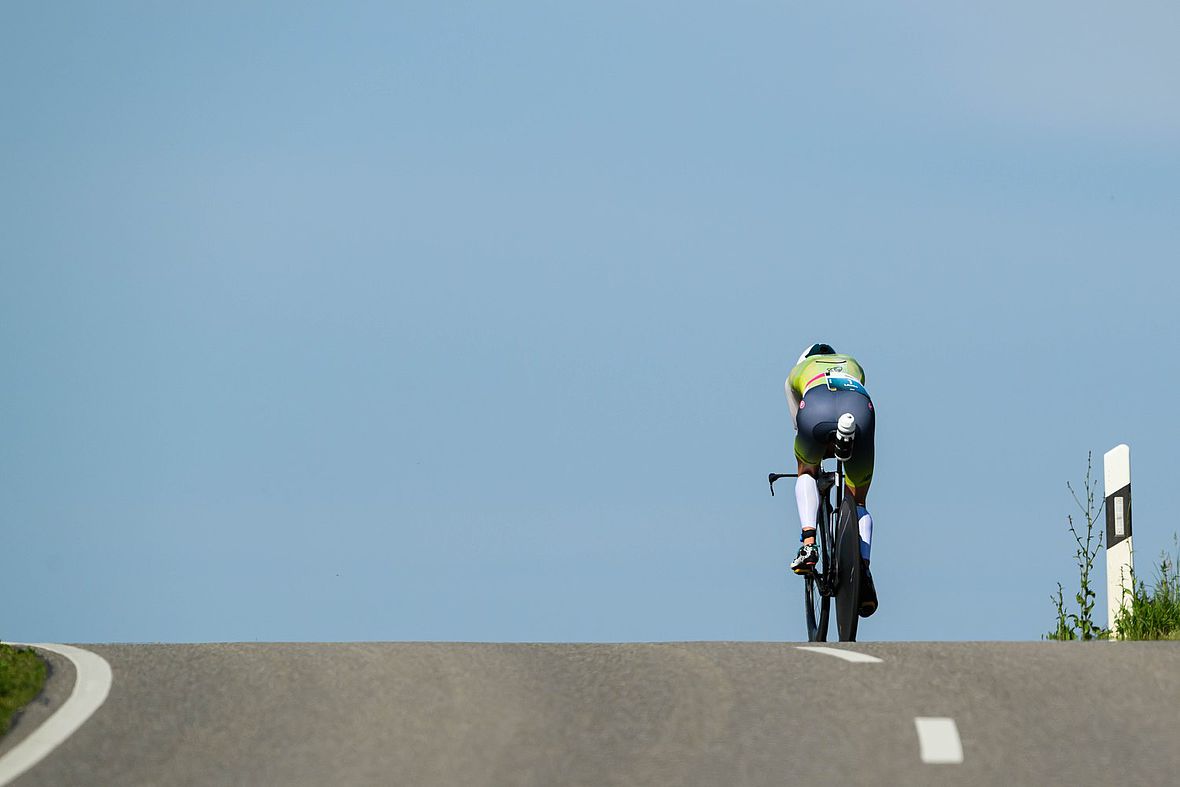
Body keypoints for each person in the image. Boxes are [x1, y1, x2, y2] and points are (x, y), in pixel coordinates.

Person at [785, 343, 878, 617]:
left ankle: (809, 542)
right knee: (859, 499)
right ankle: (864, 571)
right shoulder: (853, 362)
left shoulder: (797, 372)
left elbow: (796, 422)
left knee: (806, 470)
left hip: (815, 409)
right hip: (859, 408)